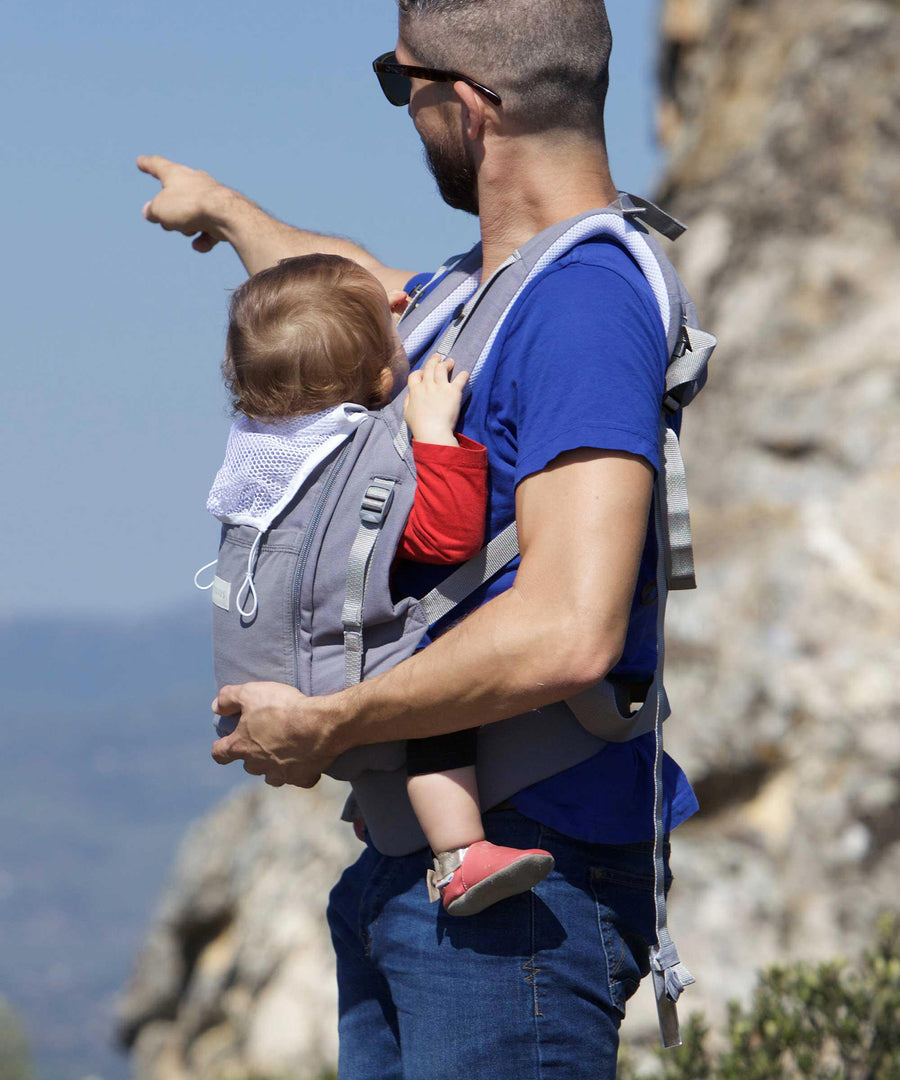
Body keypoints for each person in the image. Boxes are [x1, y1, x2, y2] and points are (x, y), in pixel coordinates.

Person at [138, 1, 700, 1076]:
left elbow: (569, 631)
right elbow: (343, 285)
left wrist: (328, 723)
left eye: (404, 88)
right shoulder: (473, 298)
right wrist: (229, 212)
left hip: (526, 890)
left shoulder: (581, 308)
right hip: (425, 885)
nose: (405, 115)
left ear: (470, 106)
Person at [211, 252, 555, 915]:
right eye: (393, 331)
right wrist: (434, 436)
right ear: (379, 376)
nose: (405, 323)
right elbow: (444, 537)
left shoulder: (263, 450)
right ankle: (460, 855)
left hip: (268, 675)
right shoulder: (364, 452)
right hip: (337, 687)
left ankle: (384, 807)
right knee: (437, 701)